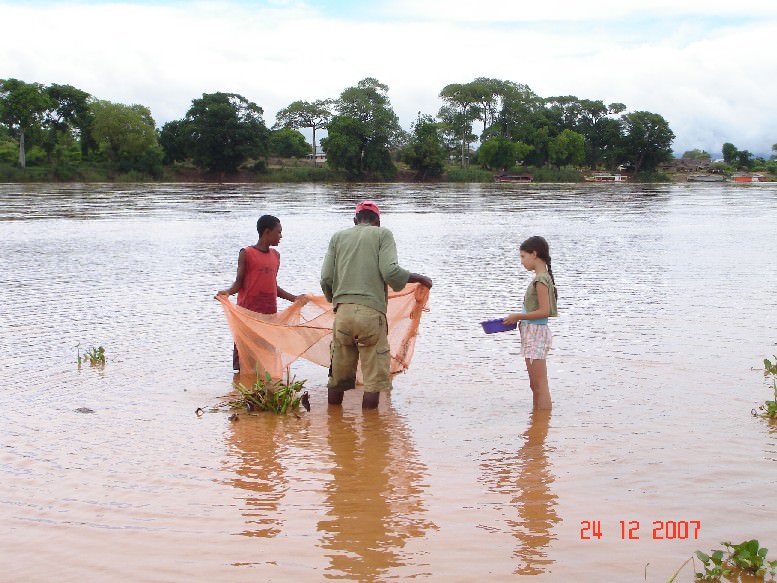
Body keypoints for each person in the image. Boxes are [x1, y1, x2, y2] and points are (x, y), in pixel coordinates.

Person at [320, 200, 432, 409]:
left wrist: (334, 301)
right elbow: (390, 273)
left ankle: (334, 429)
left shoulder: (338, 237)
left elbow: (326, 279)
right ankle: (373, 434)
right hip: (371, 316)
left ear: (355, 220)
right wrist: (420, 278)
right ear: (378, 222)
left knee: (337, 379)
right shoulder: (383, 235)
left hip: (342, 314)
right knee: (373, 383)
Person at [218, 214, 299, 372]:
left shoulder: (276, 256)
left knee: (266, 360)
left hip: (268, 317)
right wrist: (226, 293)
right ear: (267, 232)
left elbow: (273, 286)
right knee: (244, 361)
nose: (281, 236)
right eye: (278, 232)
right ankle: (243, 390)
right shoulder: (246, 253)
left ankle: (261, 392)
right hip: (247, 316)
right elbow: (238, 283)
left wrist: (294, 299)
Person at [503, 236, 558, 410]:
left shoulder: (540, 280)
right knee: (535, 385)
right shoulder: (543, 277)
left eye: (522, 256)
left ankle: (541, 426)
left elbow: (545, 311)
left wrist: (518, 316)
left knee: (539, 385)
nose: (522, 262)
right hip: (533, 332)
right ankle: (538, 425)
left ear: (534, 254)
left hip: (536, 333)